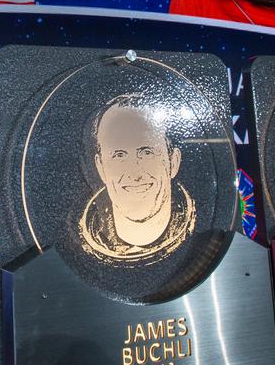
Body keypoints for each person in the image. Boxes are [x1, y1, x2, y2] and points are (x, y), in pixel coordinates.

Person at [78, 94, 195, 263]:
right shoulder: (74, 247)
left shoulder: (204, 238)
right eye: (119, 155)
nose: (135, 174)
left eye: (147, 152)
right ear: (101, 167)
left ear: (173, 162)